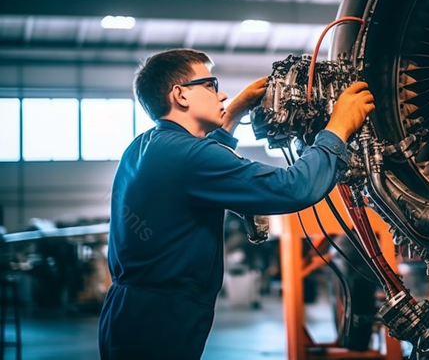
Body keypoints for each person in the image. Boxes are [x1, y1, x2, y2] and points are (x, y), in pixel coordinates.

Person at [98, 48, 374, 360]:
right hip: (161, 320)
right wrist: (337, 128)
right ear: (180, 95)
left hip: (126, 311)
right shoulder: (190, 157)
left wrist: (234, 113)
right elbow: (295, 188)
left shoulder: (144, 146)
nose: (222, 93)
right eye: (210, 85)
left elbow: (203, 166)